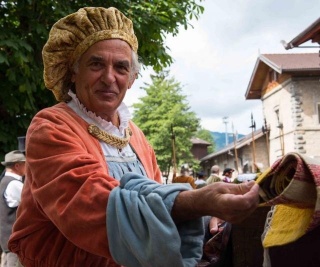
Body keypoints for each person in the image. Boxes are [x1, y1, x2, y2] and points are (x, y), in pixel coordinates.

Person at [8, 7, 259, 267]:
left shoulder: (135, 135)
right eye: (96, 64)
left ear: (131, 78)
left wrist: (209, 215)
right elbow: (87, 203)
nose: (109, 78)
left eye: (121, 67)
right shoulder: (51, 126)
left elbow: (157, 200)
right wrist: (196, 203)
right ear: (73, 71)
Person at [0, 150, 25, 267]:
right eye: (25, 164)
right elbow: (33, 203)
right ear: (17, 165)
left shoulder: (3, 181)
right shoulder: (14, 184)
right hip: (14, 241)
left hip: (6, 239)